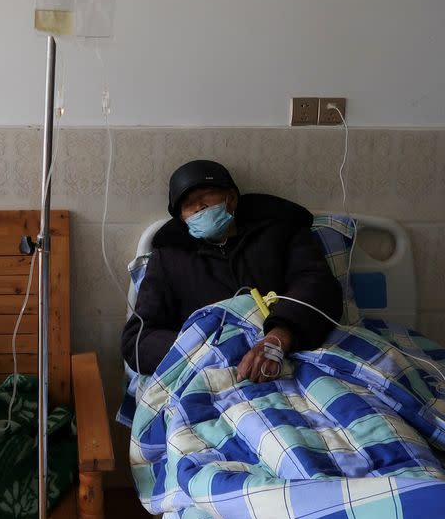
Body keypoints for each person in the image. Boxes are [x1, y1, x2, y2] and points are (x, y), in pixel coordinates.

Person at [121, 160, 343, 382]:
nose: (199, 207)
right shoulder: (169, 259)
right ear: (182, 218)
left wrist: (279, 337)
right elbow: (138, 341)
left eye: (206, 195)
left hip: (296, 350)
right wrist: (211, 348)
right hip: (213, 371)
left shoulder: (282, 232)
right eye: (189, 204)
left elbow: (318, 286)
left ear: (232, 199)